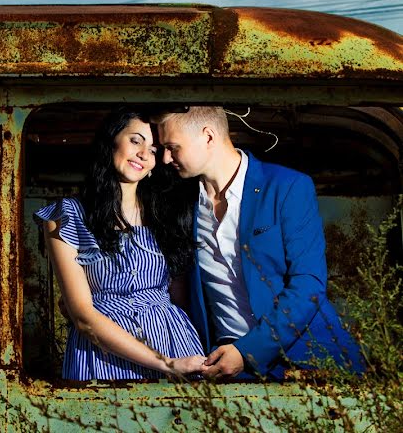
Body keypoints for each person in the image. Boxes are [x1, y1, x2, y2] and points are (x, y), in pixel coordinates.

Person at [155, 106, 363, 379]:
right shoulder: (178, 203)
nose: (166, 158)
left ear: (208, 136)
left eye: (173, 147)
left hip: (310, 360)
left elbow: (309, 284)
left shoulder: (287, 187)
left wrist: (248, 351)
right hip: (224, 367)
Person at [35, 109, 206, 380]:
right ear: (110, 142)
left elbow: (181, 299)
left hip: (174, 344)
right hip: (105, 356)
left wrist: (178, 361)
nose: (143, 154)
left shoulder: (167, 215)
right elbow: (82, 317)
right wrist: (165, 363)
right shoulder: (67, 215)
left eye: (153, 149)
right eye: (135, 141)